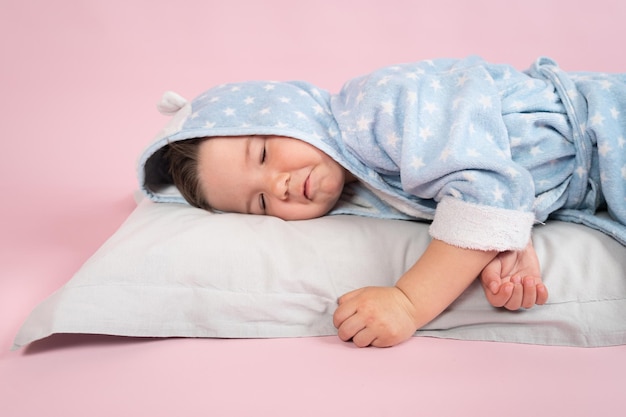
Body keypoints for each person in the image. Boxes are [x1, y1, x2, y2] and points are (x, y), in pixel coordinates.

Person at [138, 56, 626, 347]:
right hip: (591, 176)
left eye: (264, 152)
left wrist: (408, 302)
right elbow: (484, 191)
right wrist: (510, 243)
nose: (279, 185)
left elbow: (485, 189)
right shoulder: (359, 184)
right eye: (261, 203)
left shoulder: (375, 109)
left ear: (292, 111)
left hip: (603, 122)